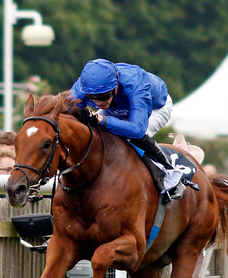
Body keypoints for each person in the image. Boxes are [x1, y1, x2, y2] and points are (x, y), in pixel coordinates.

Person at [70, 58, 190, 200]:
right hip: (116, 109)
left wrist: (100, 119)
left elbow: (137, 129)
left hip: (154, 108)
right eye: (92, 98)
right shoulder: (83, 86)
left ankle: (170, 175)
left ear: (115, 88)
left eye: (103, 97)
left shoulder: (135, 84)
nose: (98, 103)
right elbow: (65, 111)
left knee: (129, 138)